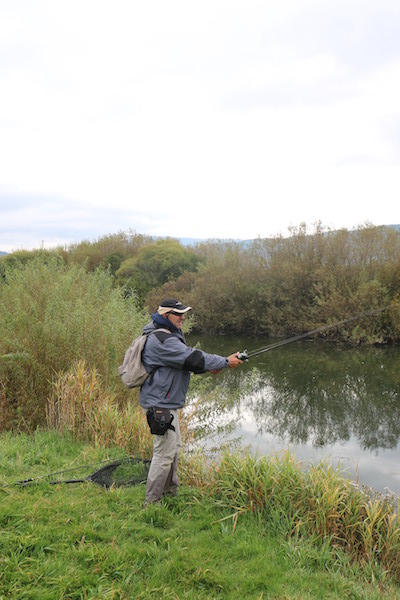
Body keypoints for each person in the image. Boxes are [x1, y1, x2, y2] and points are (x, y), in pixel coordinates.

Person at [139, 298, 243, 504]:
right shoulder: (162, 338)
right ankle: (152, 502)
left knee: (172, 448)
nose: (183, 317)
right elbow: (191, 357)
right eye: (178, 314)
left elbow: (182, 362)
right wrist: (224, 362)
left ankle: (169, 493)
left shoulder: (166, 333)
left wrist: (209, 366)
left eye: (183, 313)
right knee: (164, 453)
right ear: (165, 315)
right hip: (160, 404)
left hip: (166, 402)